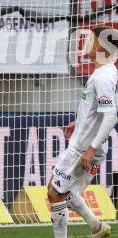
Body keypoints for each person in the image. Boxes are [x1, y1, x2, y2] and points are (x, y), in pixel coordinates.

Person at [47, 26, 118, 238]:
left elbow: (111, 116)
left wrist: (90, 148)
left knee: (54, 192)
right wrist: (79, 122)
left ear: (99, 46)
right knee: (67, 192)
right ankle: (97, 227)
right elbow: (100, 110)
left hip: (83, 148)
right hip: (89, 144)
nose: (86, 43)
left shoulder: (102, 78)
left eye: (90, 39)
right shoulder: (108, 72)